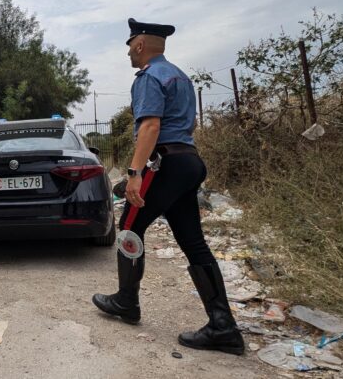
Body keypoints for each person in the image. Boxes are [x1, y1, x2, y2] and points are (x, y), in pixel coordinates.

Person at [91, 19, 244, 355]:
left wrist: (134, 173)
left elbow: (150, 126)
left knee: (130, 227)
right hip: (188, 160)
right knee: (192, 240)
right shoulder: (180, 76)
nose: (129, 52)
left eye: (130, 45)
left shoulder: (149, 77)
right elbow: (184, 123)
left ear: (140, 45)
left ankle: (126, 302)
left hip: (163, 162)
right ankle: (223, 326)